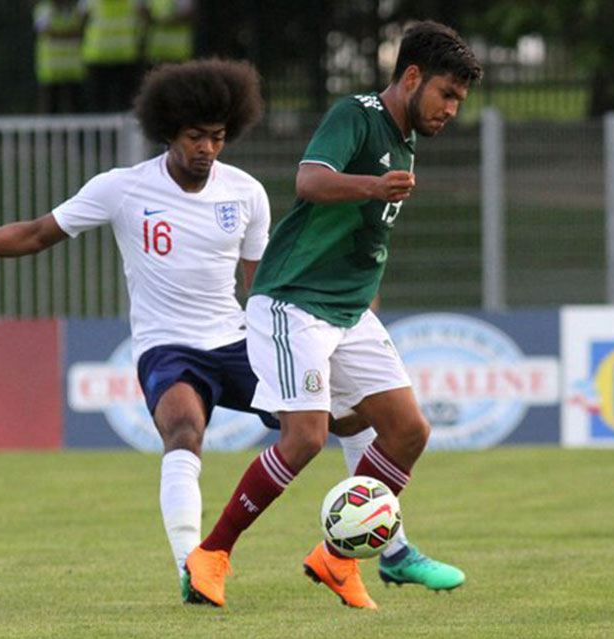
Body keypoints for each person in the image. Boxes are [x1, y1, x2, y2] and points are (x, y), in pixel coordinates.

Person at [0, 59, 373, 605]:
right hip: (168, 347)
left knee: (342, 417)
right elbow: (39, 232)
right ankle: (193, 564)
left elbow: (262, 288)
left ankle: (378, 545)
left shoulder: (247, 193)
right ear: (168, 131)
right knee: (184, 430)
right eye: (194, 136)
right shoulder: (122, 188)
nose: (206, 148)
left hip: (236, 340)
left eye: (217, 136)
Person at [184, 21, 483, 610]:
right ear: (414, 77)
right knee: (305, 438)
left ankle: (338, 557)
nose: (451, 109)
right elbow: (310, 181)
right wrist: (373, 187)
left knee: (408, 432)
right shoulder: (357, 114)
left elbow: (366, 238)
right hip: (293, 302)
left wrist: (369, 289)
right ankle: (211, 553)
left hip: (347, 312)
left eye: (459, 101)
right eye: (447, 94)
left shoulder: (405, 137)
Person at [79, 0, 140, 112]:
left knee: (99, 104)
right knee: (123, 104)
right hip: (121, 54)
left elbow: (81, 22)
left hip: (100, 55)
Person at [33, 0, 85, 113]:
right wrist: (69, 35)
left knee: (77, 111)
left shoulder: (75, 9)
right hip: (51, 72)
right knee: (50, 110)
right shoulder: (43, 10)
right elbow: (45, 32)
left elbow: (81, 31)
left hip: (73, 71)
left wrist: (60, 35)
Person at [138, 0, 193, 69]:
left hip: (179, 54)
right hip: (155, 53)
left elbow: (188, 16)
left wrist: (161, 22)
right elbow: (143, 17)